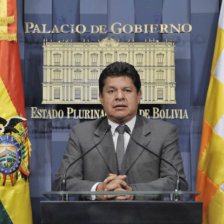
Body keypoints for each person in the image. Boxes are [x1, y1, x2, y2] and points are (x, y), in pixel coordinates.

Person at [53, 61, 188, 200]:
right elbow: (63, 182)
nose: (119, 96)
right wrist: (99, 189)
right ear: (101, 97)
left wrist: (133, 192)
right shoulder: (81, 134)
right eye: (111, 91)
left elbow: (177, 182)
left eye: (127, 90)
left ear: (138, 95)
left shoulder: (164, 133)